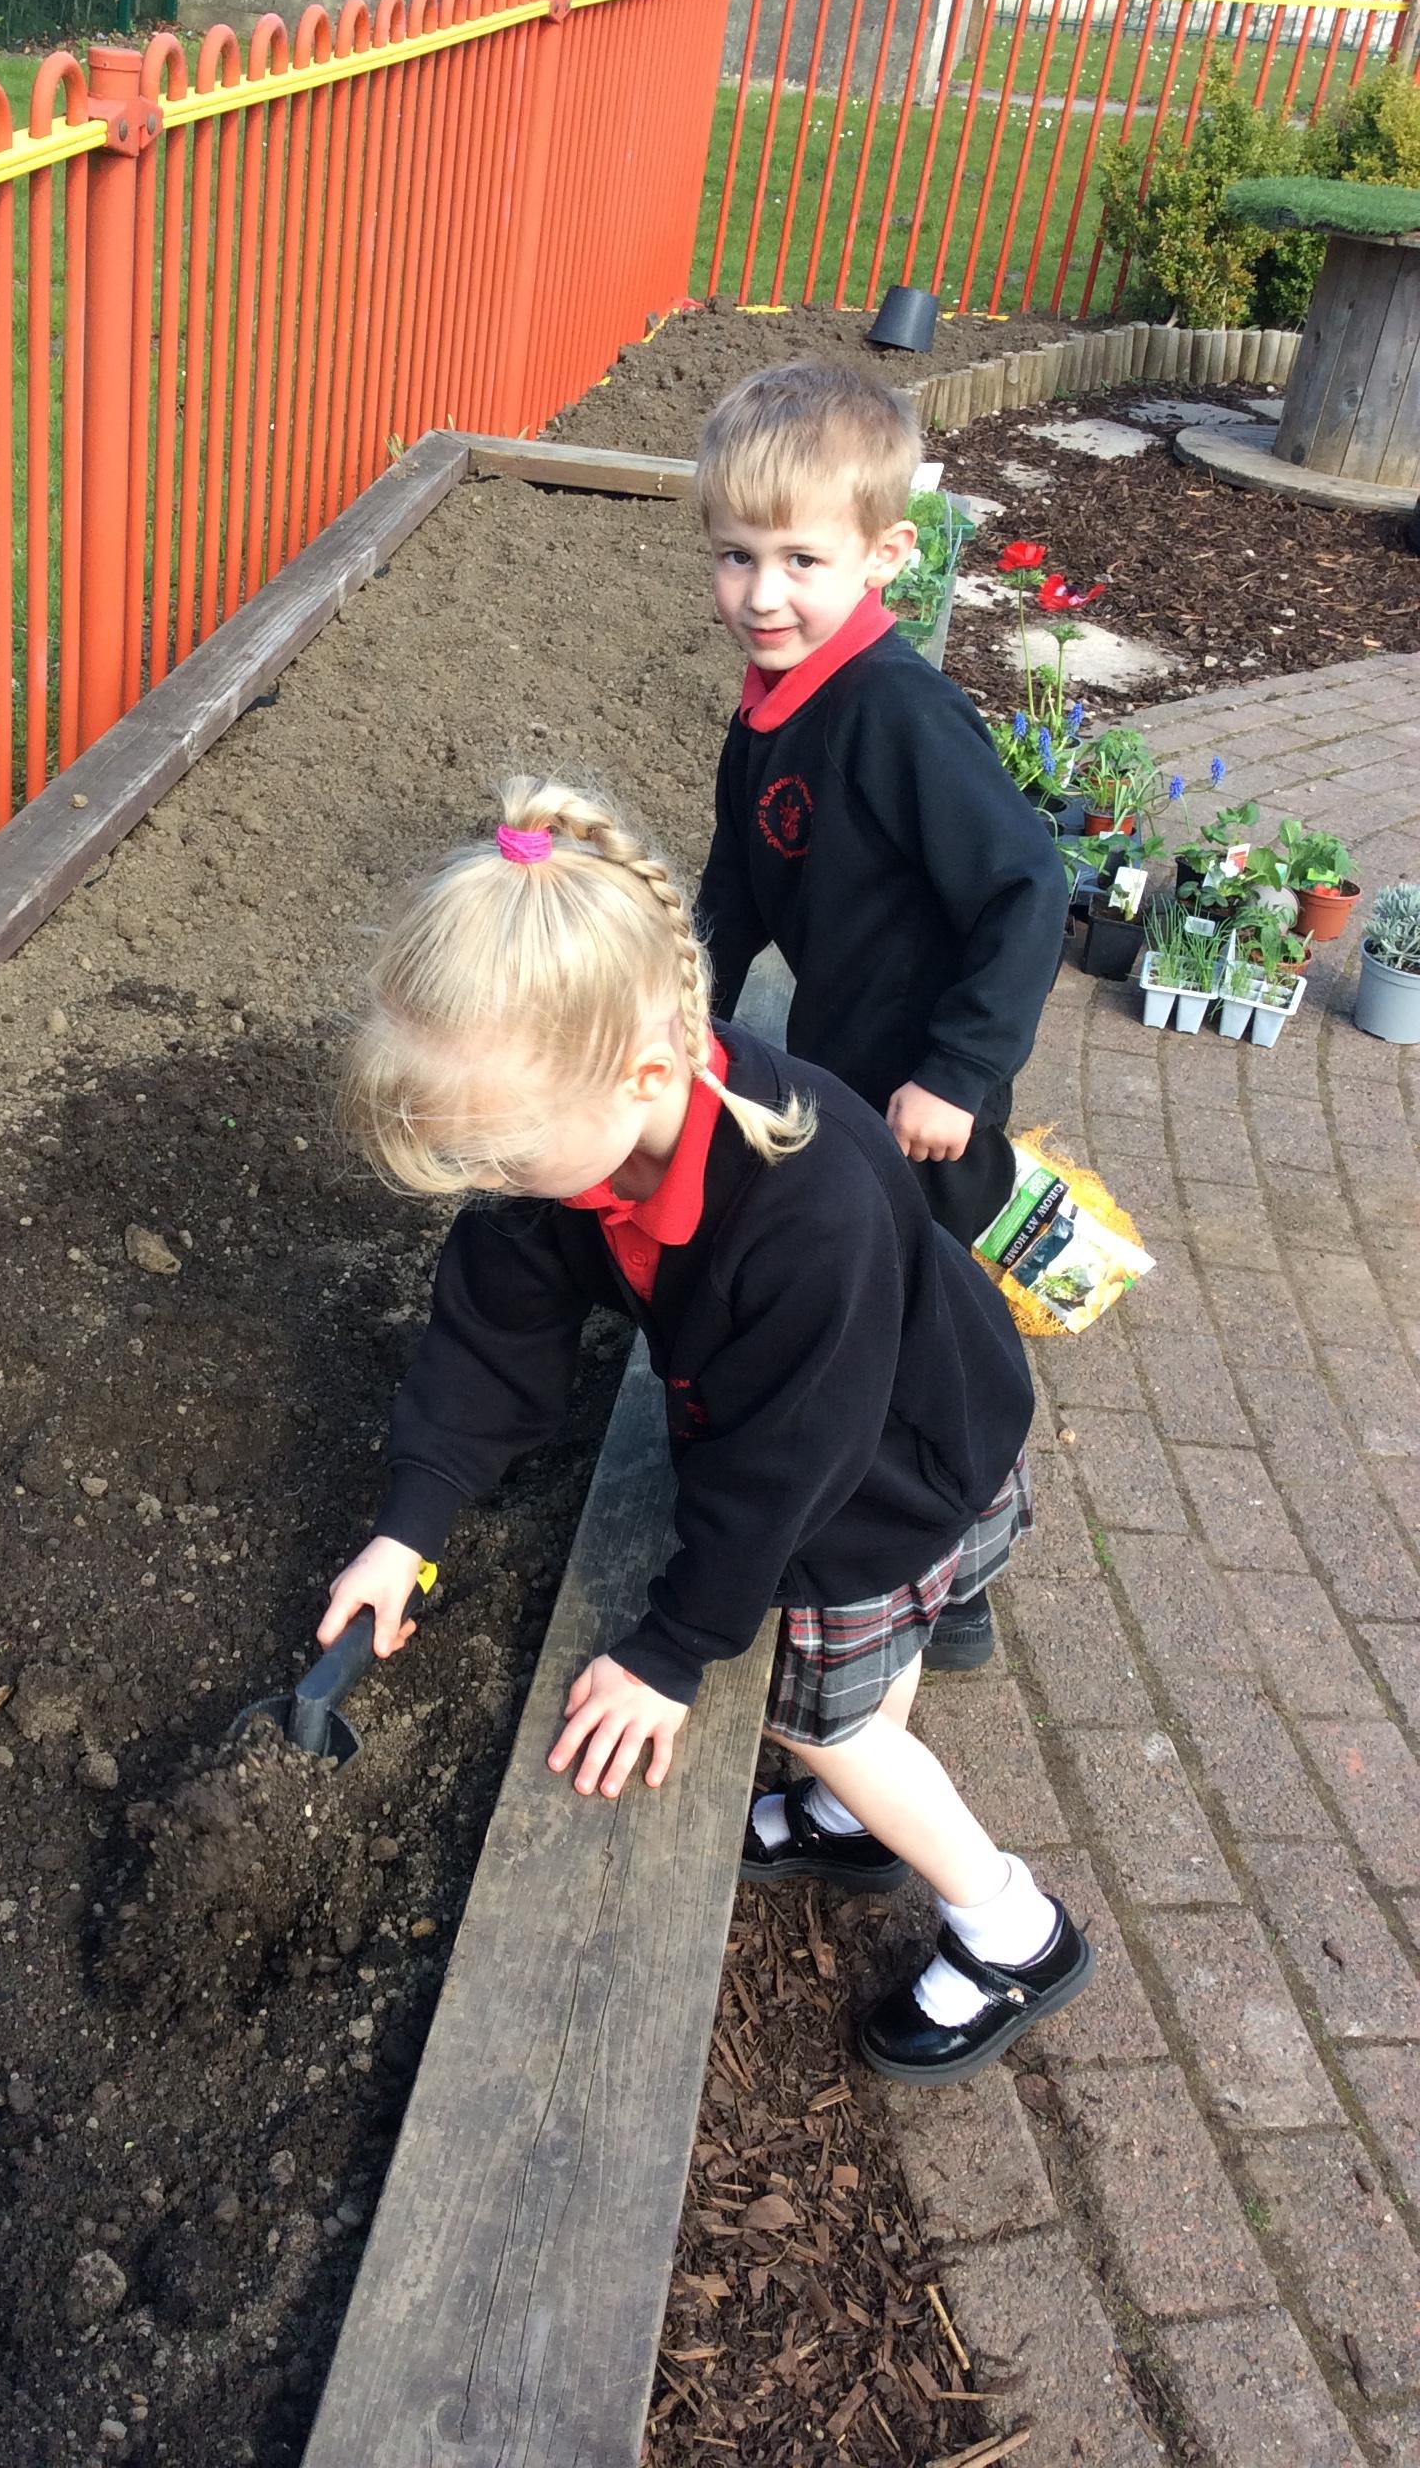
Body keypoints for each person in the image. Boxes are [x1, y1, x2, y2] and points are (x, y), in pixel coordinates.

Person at [317, 782, 1091, 2086]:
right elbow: (490, 1336)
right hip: (895, 1424)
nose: (492, 1183)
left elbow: (781, 1473)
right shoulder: (582, 1119)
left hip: (887, 1477)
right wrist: (409, 1528)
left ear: (642, 1073)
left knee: (824, 1717)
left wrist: (672, 1651)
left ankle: (1011, 1928)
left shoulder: (805, 1215)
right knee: (868, 1693)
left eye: (501, 1156)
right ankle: (854, 1821)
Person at [692, 363, 1065, 1671]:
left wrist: (958, 1073)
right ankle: (900, 1519)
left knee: (933, 1329)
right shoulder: (770, 703)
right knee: (872, 1303)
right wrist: (685, 1005)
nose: (763, 593)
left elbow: (1026, 888)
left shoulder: (898, 714)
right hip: (850, 1071)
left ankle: (963, 1562)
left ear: (885, 556)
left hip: (927, 1096)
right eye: (737, 556)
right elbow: (738, 880)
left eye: (802, 558)